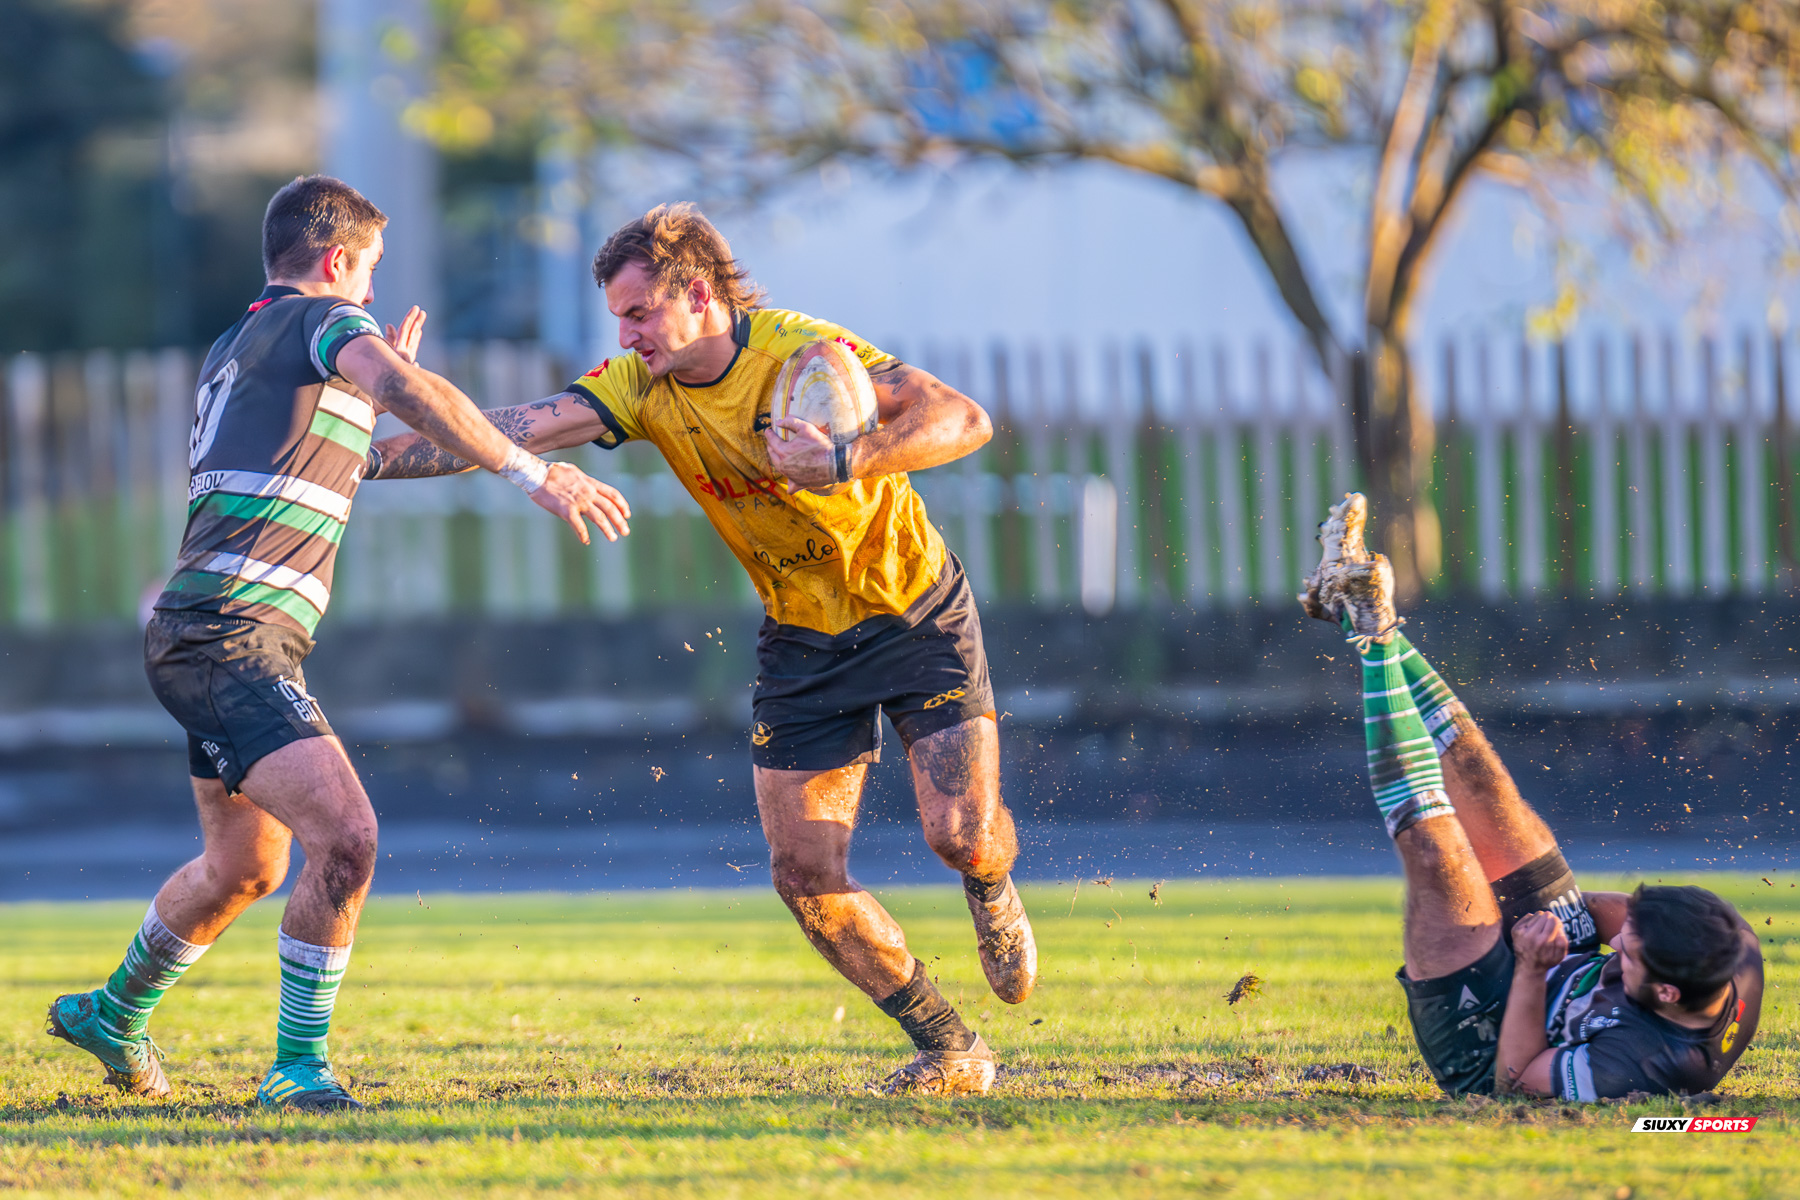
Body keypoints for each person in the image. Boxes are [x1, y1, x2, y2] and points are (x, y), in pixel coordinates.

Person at [365, 202, 1034, 1095]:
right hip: (802, 639)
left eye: (639, 313)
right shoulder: (638, 387)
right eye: (619, 318)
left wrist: (847, 459)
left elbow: (964, 418)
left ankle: (991, 892)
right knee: (803, 876)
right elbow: (512, 427)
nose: (628, 332)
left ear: (700, 292)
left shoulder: (802, 352)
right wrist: (358, 459)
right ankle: (952, 1047)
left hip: (913, 609)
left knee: (960, 836)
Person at [45, 175, 632, 1112]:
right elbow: (405, 385)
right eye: (370, 271)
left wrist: (368, 399)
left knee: (246, 868)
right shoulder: (317, 324)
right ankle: (297, 1068)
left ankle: (114, 1012)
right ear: (335, 261)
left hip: (208, 631)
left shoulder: (240, 347)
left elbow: (349, 453)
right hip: (233, 637)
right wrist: (532, 472)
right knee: (348, 838)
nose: (369, 293)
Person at [1301, 492, 1763, 1099]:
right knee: (1492, 794)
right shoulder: (1728, 946)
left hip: (1493, 1042)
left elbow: (1516, 1081)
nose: (1618, 935)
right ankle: (1366, 614)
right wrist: (1540, 911)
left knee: (1440, 856)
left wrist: (1529, 967)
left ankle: (1369, 626)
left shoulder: (1646, 1071)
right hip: (1554, 961)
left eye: (1630, 948)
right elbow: (1610, 918)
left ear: (1667, 993)